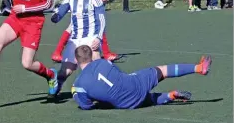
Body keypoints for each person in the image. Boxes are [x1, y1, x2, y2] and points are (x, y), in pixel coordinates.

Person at [72, 45, 212, 110]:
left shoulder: (78, 85)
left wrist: (83, 95)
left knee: (143, 99)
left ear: (75, 59)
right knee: (162, 71)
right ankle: (199, 68)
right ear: (91, 55)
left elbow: (86, 106)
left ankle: (169, 95)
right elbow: (117, 73)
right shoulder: (104, 62)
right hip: (134, 84)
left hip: (126, 104)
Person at [50, 0, 106, 97]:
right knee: (65, 71)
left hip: (90, 37)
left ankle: (99, 93)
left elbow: (102, 20)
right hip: (74, 39)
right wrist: (55, 17)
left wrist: (98, 38)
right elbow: (61, 11)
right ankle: (55, 87)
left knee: (93, 66)